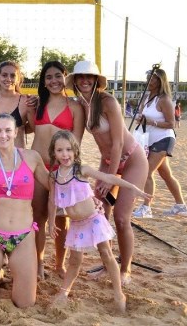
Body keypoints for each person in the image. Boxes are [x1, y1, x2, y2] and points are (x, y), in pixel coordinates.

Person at [47, 130, 151, 313]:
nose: (65, 154)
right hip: (76, 225)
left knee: (106, 254)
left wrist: (133, 187)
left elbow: (109, 177)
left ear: (75, 150)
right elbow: (52, 200)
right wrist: (51, 221)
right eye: (60, 150)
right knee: (74, 260)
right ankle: (64, 292)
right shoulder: (54, 177)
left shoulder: (81, 170)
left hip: (93, 220)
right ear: (54, 153)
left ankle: (118, 293)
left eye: (69, 149)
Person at [66, 60, 149, 285]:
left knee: (121, 218)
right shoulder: (80, 104)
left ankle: (126, 269)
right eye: (80, 77)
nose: (84, 80)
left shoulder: (108, 101)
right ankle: (108, 264)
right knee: (100, 214)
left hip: (130, 159)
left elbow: (118, 142)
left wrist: (109, 179)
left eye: (89, 77)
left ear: (96, 80)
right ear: (75, 81)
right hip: (108, 160)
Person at [0, 113, 49, 306]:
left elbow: (53, 184)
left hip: (23, 235)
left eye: (8, 130)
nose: (3, 135)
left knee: (25, 303)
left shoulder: (31, 157)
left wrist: (84, 192)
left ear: (16, 132)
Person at [28, 61, 84, 279]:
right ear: (43, 81)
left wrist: (69, 171)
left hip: (61, 169)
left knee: (61, 218)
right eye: (49, 77)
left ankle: (59, 264)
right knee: (38, 217)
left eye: (58, 76)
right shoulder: (38, 104)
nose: (54, 81)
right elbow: (31, 128)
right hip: (38, 167)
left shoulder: (75, 107)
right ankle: (39, 263)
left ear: (65, 77)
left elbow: (76, 143)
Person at [133, 68, 187, 217]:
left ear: (160, 81)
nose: (149, 81)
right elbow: (143, 115)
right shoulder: (146, 97)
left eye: (152, 78)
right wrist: (140, 118)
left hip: (163, 139)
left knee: (146, 172)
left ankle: (146, 208)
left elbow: (171, 123)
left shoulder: (164, 100)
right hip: (150, 140)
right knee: (166, 174)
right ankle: (181, 205)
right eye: (148, 77)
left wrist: (152, 122)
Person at [0, 61, 30, 149]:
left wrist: (18, 129)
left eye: (13, 76)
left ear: (18, 79)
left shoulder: (25, 101)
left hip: (16, 154)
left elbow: (34, 128)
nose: (8, 79)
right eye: (4, 75)